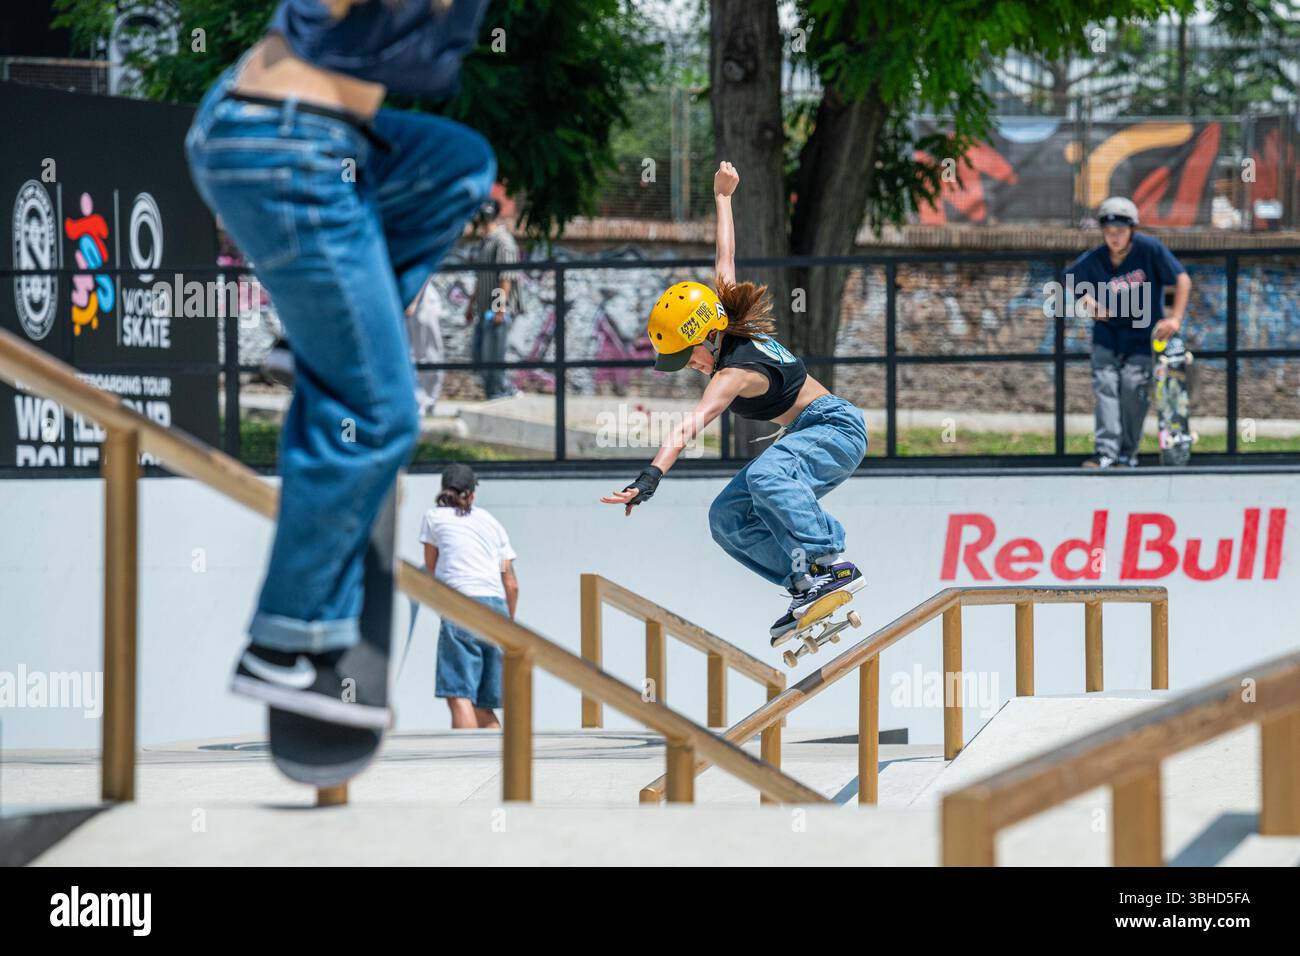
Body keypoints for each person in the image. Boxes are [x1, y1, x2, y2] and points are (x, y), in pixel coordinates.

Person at [186, 0, 496, 725]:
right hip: (282, 145)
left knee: (460, 164)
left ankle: (319, 340)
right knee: (379, 414)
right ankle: (282, 641)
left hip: (325, 140)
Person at [601, 161, 868, 645]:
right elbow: (726, 256)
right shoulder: (725, 313)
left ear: (708, 335)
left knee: (767, 477)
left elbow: (690, 425)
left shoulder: (732, 373)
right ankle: (804, 584)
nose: (692, 366)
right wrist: (723, 197)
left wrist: (648, 479)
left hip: (835, 429)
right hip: (807, 435)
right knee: (727, 516)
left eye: (690, 356)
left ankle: (833, 564)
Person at [1068, 196, 1191, 469]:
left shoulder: (1149, 250)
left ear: (1132, 230)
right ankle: (1106, 453)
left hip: (1142, 338)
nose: (1114, 237)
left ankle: (1126, 453)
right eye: (1109, 231)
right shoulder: (1097, 258)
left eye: (1121, 231)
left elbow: (1182, 279)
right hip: (1107, 337)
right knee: (1106, 390)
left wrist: (1175, 318)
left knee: (1133, 390)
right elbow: (1070, 279)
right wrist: (1087, 302)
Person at [419, 463, 518, 728]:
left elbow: (431, 567)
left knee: (459, 695)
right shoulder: (492, 523)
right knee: (483, 707)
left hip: (461, 605)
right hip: (496, 610)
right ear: (472, 494)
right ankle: (501, 755)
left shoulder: (434, 517)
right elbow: (510, 582)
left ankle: (464, 756)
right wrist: (507, 625)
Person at [465, 197, 520, 399]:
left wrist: (499, 308)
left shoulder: (502, 241)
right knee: (481, 355)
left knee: (494, 354)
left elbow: (506, 277)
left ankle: (502, 391)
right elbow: (482, 278)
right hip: (484, 308)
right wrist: (471, 305)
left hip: (497, 310)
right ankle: (495, 391)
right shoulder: (485, 242)